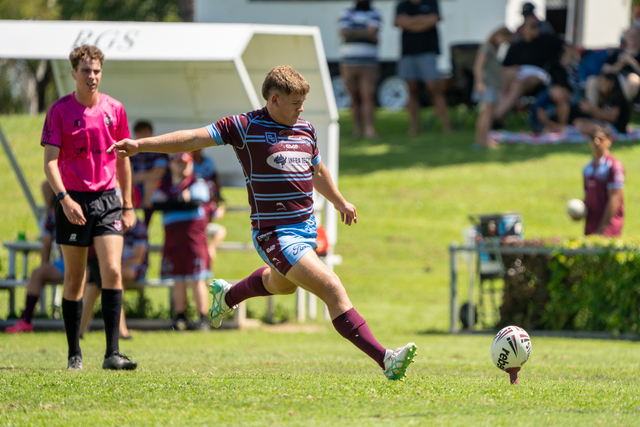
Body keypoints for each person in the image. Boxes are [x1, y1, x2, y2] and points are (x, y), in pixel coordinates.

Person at [109, 65, 417, 380]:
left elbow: (318, 170)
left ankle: (228, 296)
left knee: (282, 285)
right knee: (333, 288)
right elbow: (192, 138)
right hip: (275, 234)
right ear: (274, 99)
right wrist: (141, 145)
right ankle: (386, 360)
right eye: (295, 103)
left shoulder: (306, 130)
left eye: (303, 102)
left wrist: (339, 200)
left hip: (305, 231)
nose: (301, 109)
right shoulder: (244, 126)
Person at [41, 44, 137, 370]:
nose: (92, 76)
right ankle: (74, 354)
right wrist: (64, 199)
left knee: (112, 271)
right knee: (74, 279)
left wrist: (127, 204)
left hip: (108, 199)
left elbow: (123, 160)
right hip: (73, 200)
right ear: (73, 73)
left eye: (96, 71)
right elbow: (50, 163)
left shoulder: (115, 109)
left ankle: (112, 353)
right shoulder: (59, 110)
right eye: (85, 71)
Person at [153, 152, 212, 331]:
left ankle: (203, 318)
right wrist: (180, 200)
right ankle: (180, 318)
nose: (182, 166)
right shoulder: (164, 184)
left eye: (186, 163)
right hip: (172, 239)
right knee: (177, 279)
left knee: (197, 279)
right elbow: (155, 204)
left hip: (193, 240)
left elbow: (195, 203)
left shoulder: (197, 182)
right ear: (171, 165)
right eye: (179, 163)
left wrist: (170, 203)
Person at [80, 210, 148, 339]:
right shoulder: (109, 221)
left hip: (121, 264)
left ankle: (78, 329)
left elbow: (138, 258)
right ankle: (119, 330)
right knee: (102, 286)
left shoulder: (138, 226)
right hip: (103, 261)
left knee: (100, 285)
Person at [5, 182, 64, 333]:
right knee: (37, 273)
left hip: (86, 263)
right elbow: (46, 243)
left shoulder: (80, 206)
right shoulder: (52, 216)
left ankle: (77, 322)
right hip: (64, 263)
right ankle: (26, 320)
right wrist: (45, 265)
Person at [495, 14, 567, 122]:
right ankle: (499, 116)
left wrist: (565, 60)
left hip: (537, 73)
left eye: (537, 25)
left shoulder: (547, 40)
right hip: (518, 72)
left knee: (519, 83)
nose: (536, 28)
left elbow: (567, 46)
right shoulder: (516, 46)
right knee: (504, 80)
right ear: (523, 28)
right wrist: (510, 70)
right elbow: (504, 66)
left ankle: (497, 116)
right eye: (532, 26)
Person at [395, 0, 452, 136]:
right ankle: (414, 128)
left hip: (428, 51)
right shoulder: (402, 4)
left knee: (433, 87)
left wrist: (410, 22)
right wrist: (422, 21)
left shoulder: (431, 2)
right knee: (412, 89)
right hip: (408, 52)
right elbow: (399, 22)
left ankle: (447, 126)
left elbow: (433, 20)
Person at [338, 0, 382, 139]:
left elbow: (372, 31)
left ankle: (369, 130)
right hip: (348, 62)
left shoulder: (375, 13)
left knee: (368, 95)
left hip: (369, 63)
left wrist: (353, 31)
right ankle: (357, 130)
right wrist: (365, 32)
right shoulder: (346, 13)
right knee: (354, 96)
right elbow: (343, 32)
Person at [573, 125, 624, 236]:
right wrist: (579, 213)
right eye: (592, 138)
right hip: (591, 225)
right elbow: (588, 197)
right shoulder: (587, 168)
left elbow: (615, 198)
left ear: (609, 140)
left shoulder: (613, 166)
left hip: (608, 227)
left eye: (600, 139)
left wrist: (602, 229)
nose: (596, 142)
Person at [473, 27, 514, 147]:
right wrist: (479, 82)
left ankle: (484, 139)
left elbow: (493, 68)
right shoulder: (487, 47)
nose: (503, 43)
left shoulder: (493, 49)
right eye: (504, 40)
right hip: (487, 84)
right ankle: (481, 140)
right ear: (498, 35)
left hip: (492, 84)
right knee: (486, 113)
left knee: (489, 114)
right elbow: (478, 66)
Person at [192, 148, 227, 266]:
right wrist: (222, 209)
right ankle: (210, 250)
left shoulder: (210, 204)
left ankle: (210, 250)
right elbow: (219, 215)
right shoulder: (198, 203)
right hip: (196, 229)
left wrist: (219, 200)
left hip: (201, 229)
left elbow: (214, 177)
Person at [130, 120, 169, 227]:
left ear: (151, 133)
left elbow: (158, 173)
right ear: (135, 134)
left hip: (159, 188)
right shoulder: (130, 150)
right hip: (135, 186)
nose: (144, 134)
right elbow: (121, 173)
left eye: (146, 131)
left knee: (150, 183)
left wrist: (136, 177)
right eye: (140, 132)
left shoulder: (159, 149)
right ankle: (131, 223)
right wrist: (142, 177)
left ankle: (146, 225)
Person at [589, 27, 640, 103]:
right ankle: (592, 108)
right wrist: (618, 65)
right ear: (625, 36)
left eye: (635, 34)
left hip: (633, 85)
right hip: (614, 81)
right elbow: (605, 69)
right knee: (592, 80)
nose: (633, 37)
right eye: (630, 35)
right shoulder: (617, 53)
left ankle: (625, 106)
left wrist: (632, 62)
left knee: (633, 78)